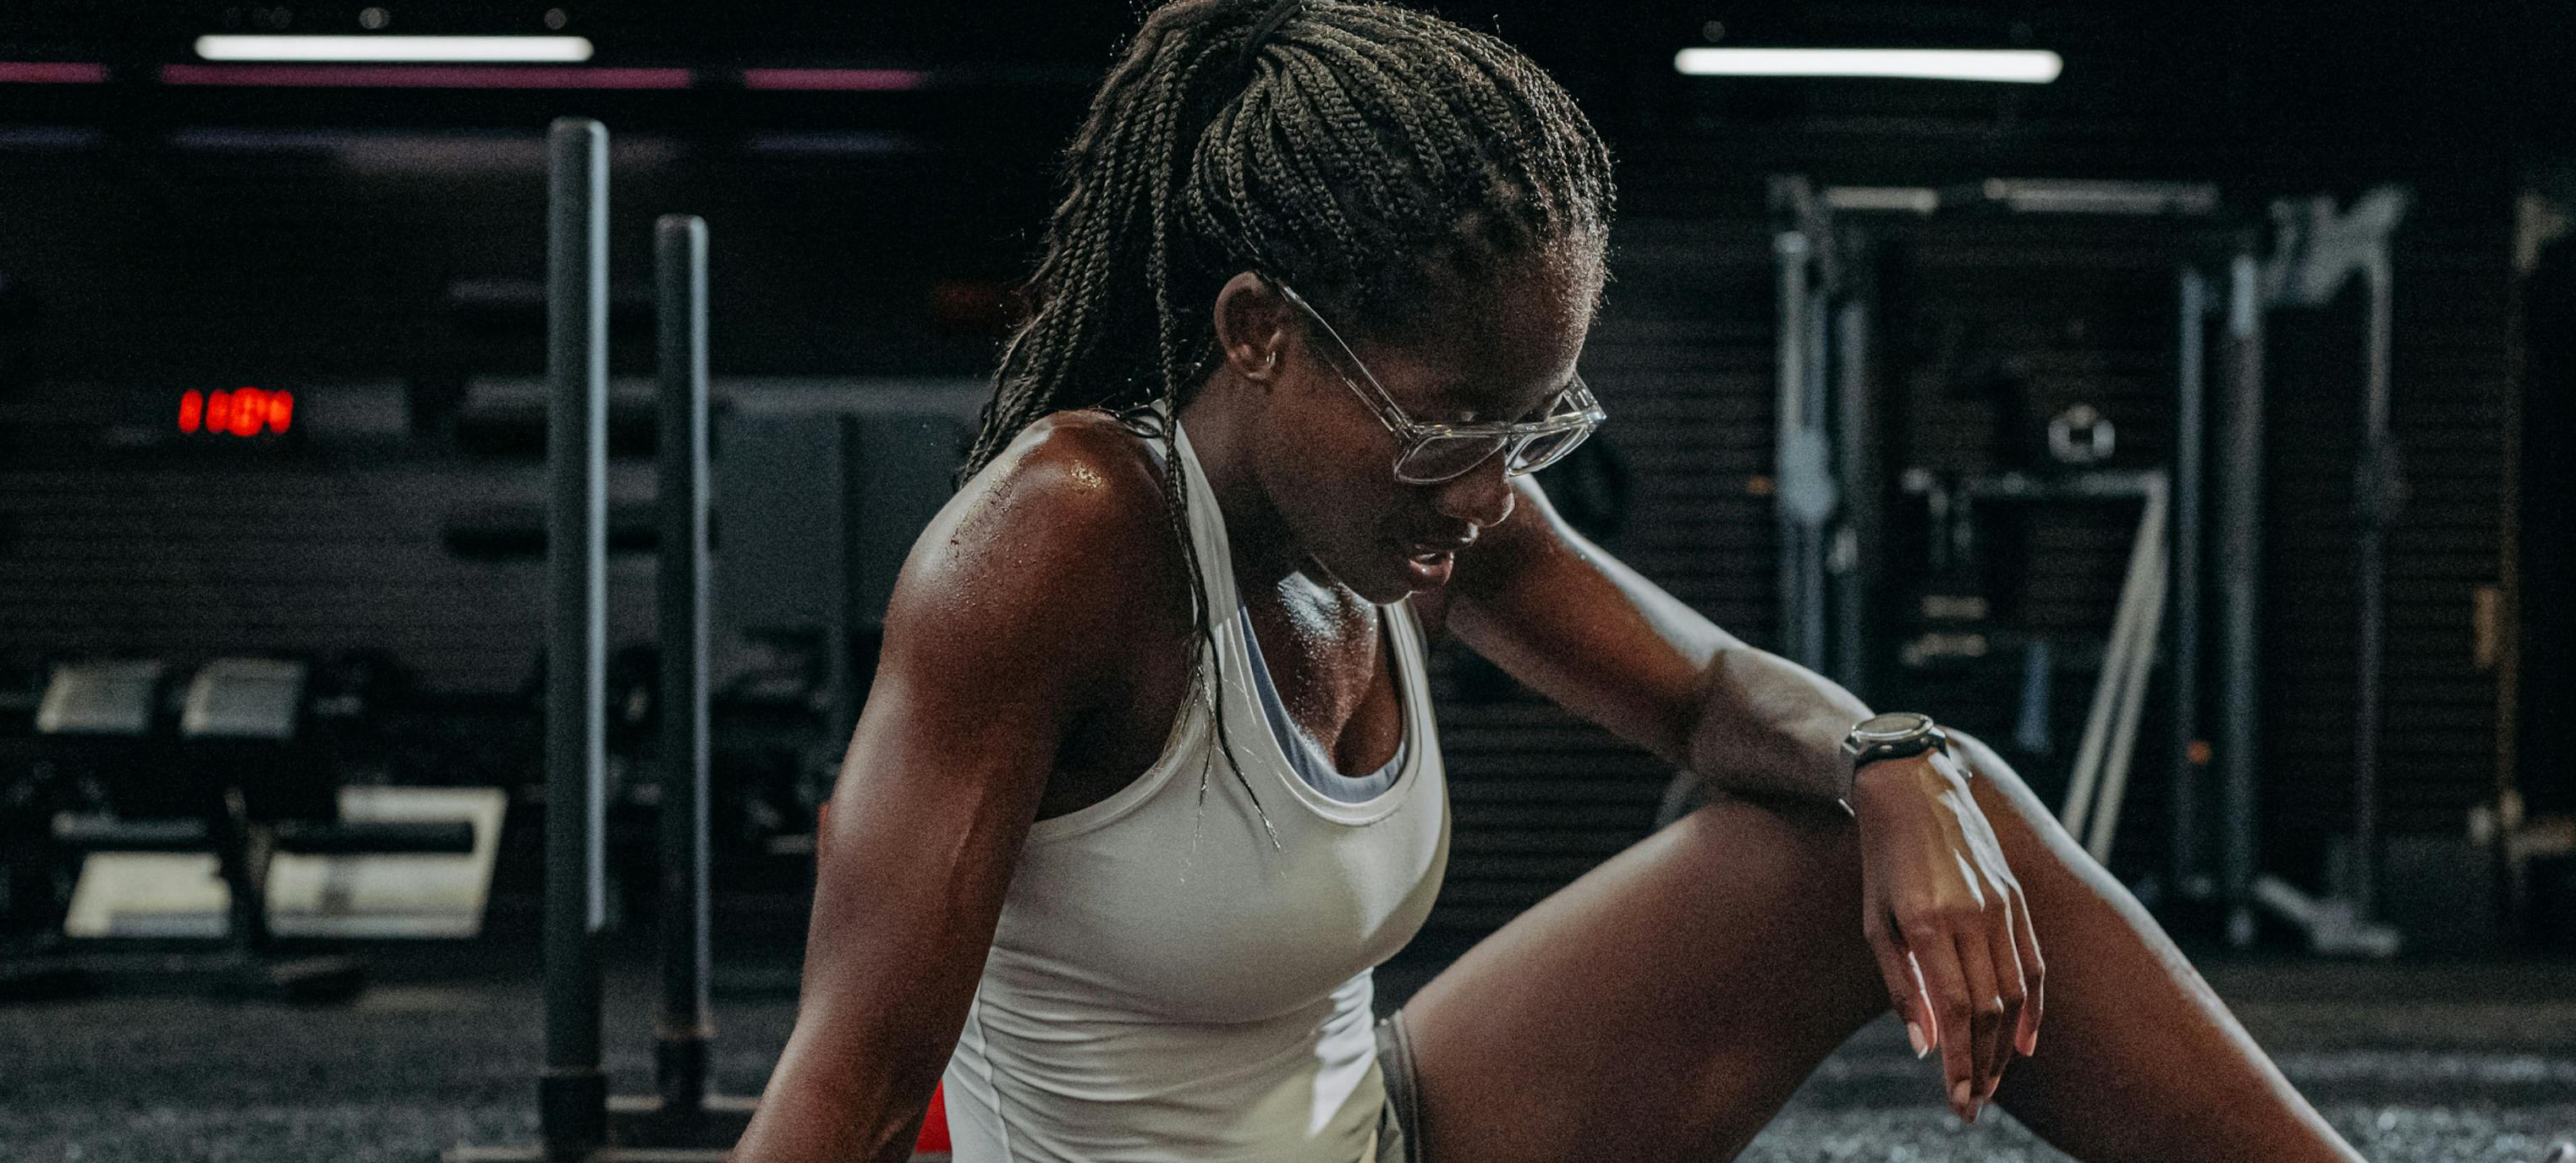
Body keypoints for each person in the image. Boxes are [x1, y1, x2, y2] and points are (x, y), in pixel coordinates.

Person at [732, 1, 2372, 1160]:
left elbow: (1722, 696)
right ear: (1257, 334)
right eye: (1454, 424)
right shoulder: (1061, 540)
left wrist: (1900, 758)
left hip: (1384, 1131)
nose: (1497, 486)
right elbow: (854, 1095)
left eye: (1537, 423)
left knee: (1892, 798)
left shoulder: (1419, 510)